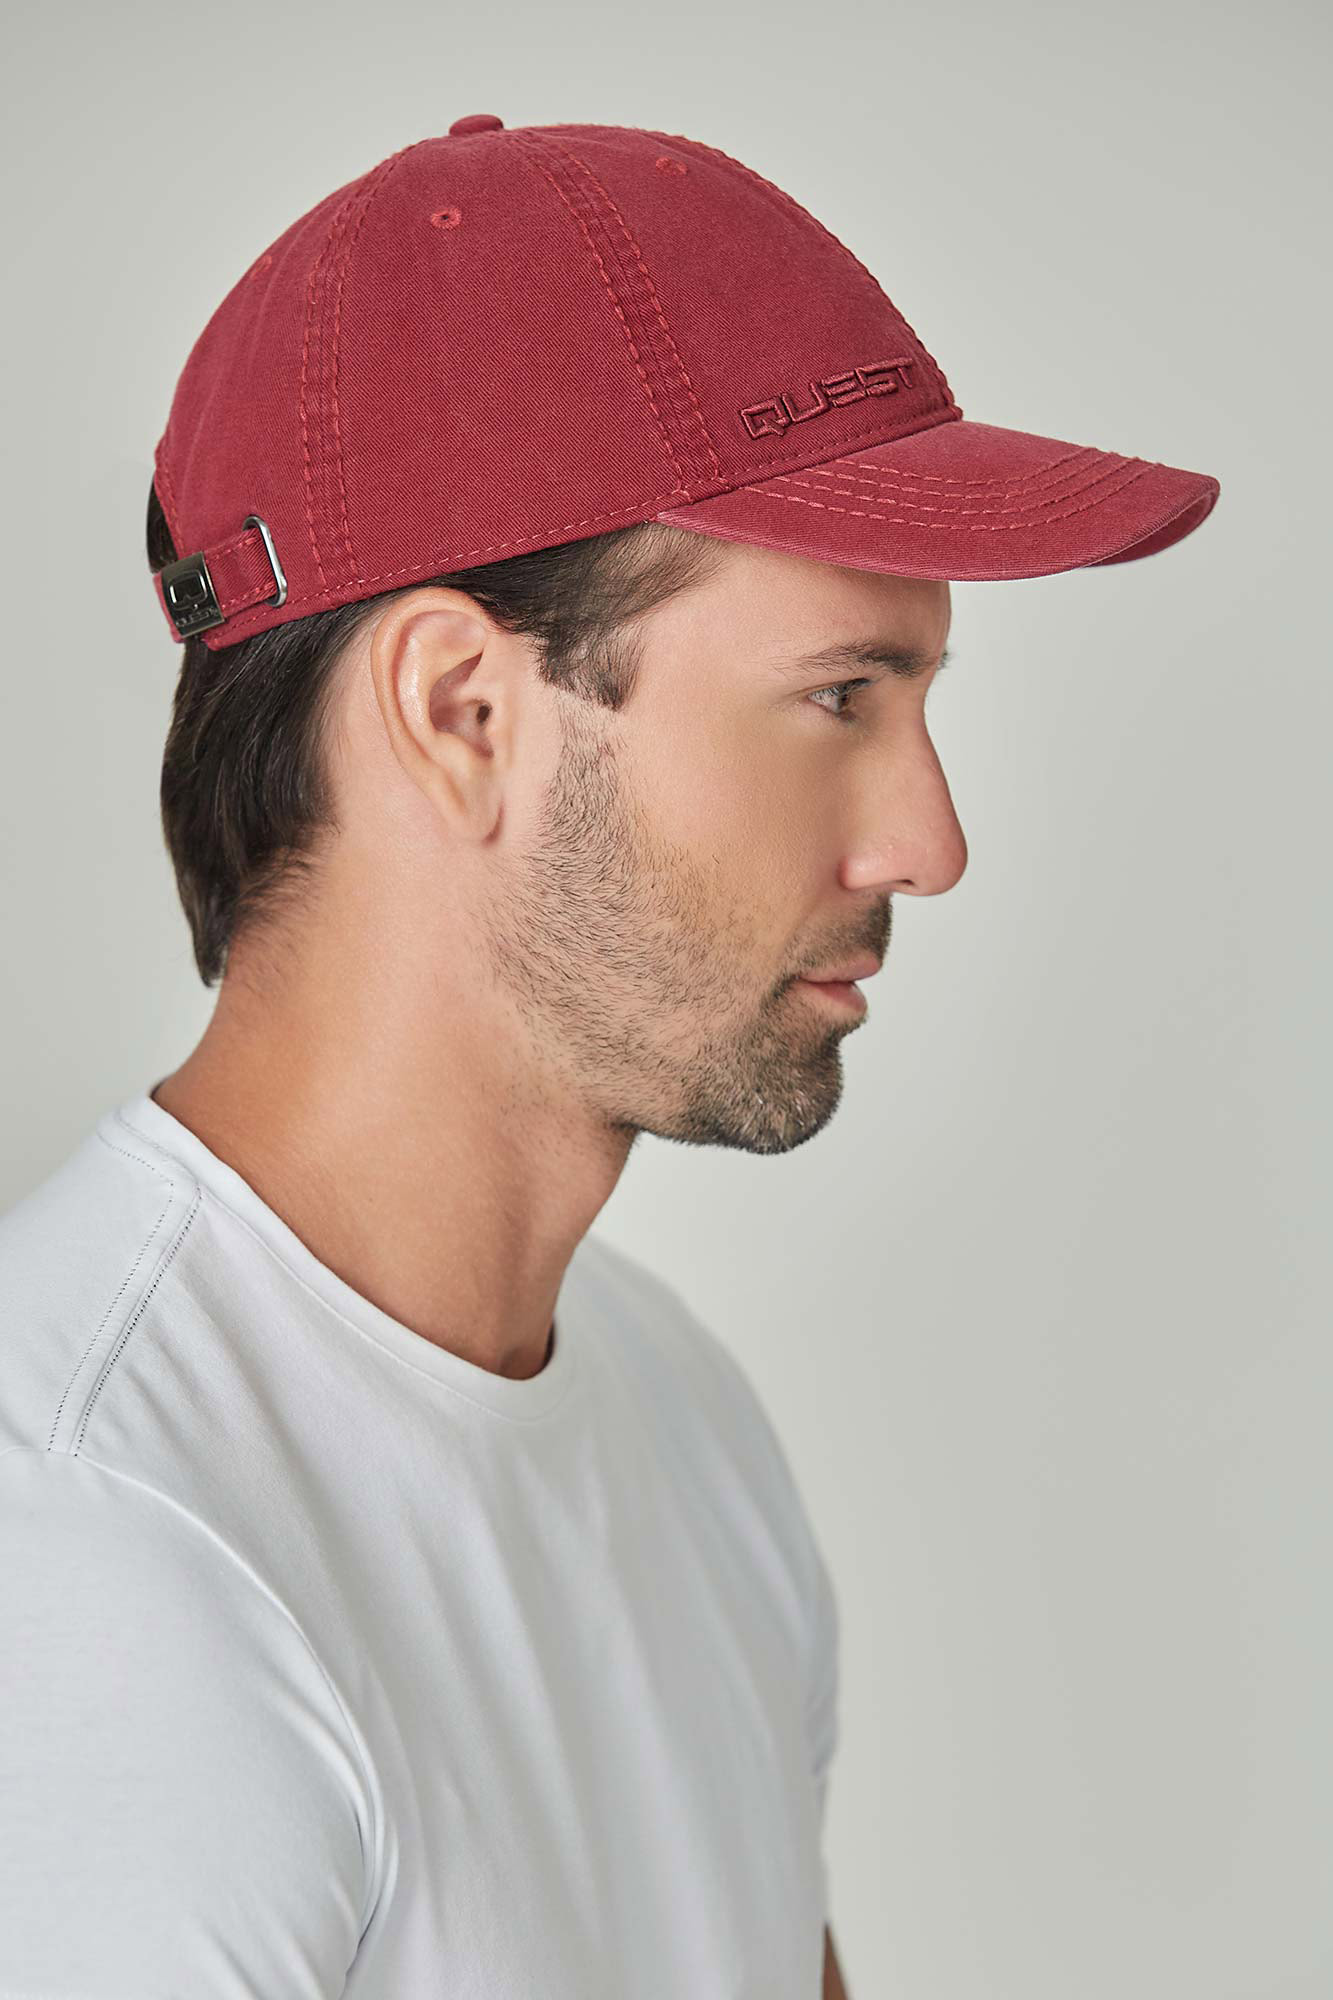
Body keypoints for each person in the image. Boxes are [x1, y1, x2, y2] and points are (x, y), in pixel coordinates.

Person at [0, 115, 1219, 1998]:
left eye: (913, 698)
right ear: (463, 713)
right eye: (838, 695)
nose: (929, 842)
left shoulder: (668, 1416)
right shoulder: (97, 1569)